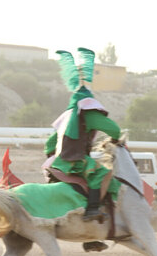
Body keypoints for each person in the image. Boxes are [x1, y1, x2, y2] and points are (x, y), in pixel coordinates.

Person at [44, 48, 121, 222]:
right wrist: (115, 139)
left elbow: (49, 144)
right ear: (89, 100)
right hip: (76, 162)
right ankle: (93, 210)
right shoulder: (89, 114)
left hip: (58, 163)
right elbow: (115, 130)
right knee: (105, 174)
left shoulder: (67, 116)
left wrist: (54, 157)